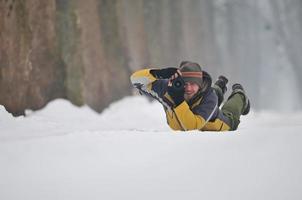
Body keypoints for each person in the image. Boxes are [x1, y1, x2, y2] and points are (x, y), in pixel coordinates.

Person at [130, 61, 250, 131]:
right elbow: (135, 80)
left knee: (230, 110)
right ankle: (220, 86)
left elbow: (191, 128)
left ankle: (239, 93)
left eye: (193, 84)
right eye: (184, 83)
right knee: (208, 92)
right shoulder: (168, 89)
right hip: (203, 95)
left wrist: (178, 101)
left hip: (221, 123)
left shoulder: (209, 98)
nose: (188, 88)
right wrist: (158, 73)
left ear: (199, 84)